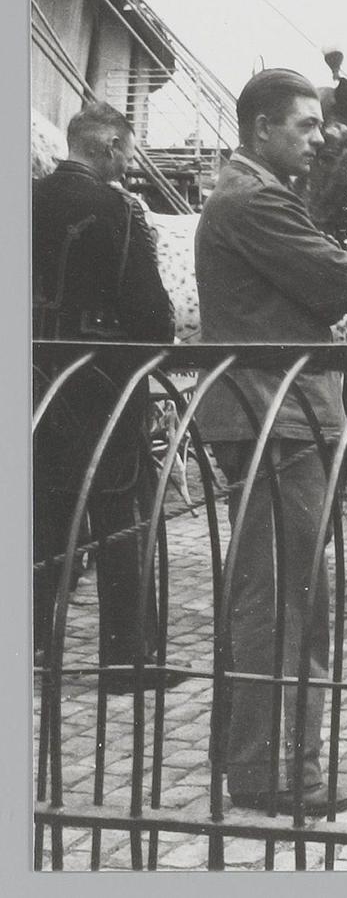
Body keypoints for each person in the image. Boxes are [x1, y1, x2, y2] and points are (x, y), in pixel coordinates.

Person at [194, 68, 347, 816]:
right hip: (276, 418)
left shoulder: (253, 195)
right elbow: (345, 283)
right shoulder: (257, 200)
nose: (319, 138)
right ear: (262, 129)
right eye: (304, 125)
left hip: (278, 415)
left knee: (280, 592)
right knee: (283, 599)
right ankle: (273, 773)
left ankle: (255, 756)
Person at [32, 101, 184, 695]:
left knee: (41, 513)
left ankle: (30, 647)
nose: (128, 164)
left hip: (34, 381)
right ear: (109, 148)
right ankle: (126, 660)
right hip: (105, 386)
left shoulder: (26, 200)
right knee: (123, 513)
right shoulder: (120, 209)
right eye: (126, 152)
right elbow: (151, 315)